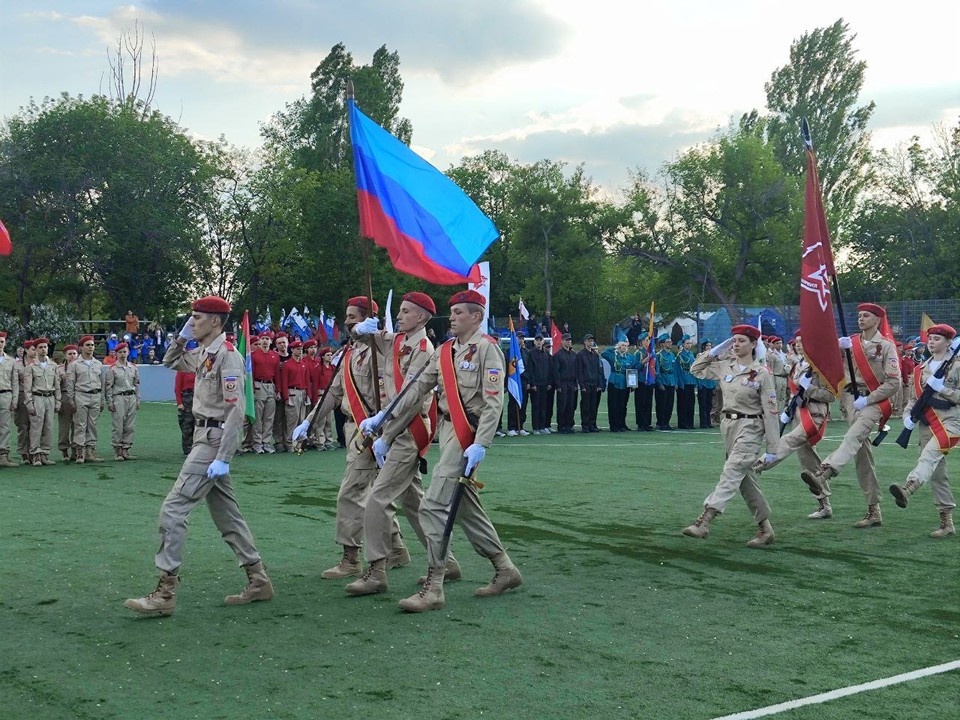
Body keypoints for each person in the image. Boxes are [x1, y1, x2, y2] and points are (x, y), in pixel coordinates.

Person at [363, 289, 522, 613]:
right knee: (464, 506)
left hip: (469, 433)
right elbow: (417, 387)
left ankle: (434, 584)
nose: (452, 317)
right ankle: (504, 568)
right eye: (452, 312)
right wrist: (385, 415)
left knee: (433, 506)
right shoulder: (445, 351)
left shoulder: (488, 349)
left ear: (477, 316)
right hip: (448, 430)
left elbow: (493, 402)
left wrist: (482, 443)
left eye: (460, 312)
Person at [125, 295, 274, 616]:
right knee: (227, 515)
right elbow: (170, 361)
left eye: (197, 317)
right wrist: (181, 336)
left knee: (173, 509)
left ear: (216, 321)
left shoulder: (228, 356)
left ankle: (165, 592)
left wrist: (223, 455)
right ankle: (258, 579)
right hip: (202, 436)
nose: (192, 322)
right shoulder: (206, 353)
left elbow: (236, 409)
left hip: (213, 441)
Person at [323, 291, 454, 596]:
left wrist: (385, 429)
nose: (399, 315)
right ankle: (447, 563)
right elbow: (363, 337)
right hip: (391, 431)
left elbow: (411, 398)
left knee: (377, 501)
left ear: (421, 316)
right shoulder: (396, 340)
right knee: (414, 503)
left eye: (406, 311)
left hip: (407, 432)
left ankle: (376, 571)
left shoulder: (423, 348)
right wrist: (361, 328)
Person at [295, 296, 406, 580]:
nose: (347, 322)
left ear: (369, 319)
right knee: (383, 494)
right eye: (347, 317)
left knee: (351, 493)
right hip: (354, 429)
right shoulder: (348, 352)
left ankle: (351, 557)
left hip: (375, 431)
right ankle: (396, 548)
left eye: (353, 317)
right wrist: (309, 421)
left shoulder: (382, 350)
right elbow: (334, 392)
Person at [799, 303, 901, 528]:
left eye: (866, 316)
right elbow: (825, 363)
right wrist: (836, 348)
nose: (861, 319)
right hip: (849, 401)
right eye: (859, 315)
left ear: (877, 320)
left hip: (872, 400)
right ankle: (874, 510)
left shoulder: (885, 346)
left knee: (853, 437)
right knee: (863, 457)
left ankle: (824, 471)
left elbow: (894, 381)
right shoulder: (850, 343)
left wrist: (869, 399)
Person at [682, 325, 780, 547]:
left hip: (751, 426)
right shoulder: (726, 365)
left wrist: (773, 448)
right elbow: (695, 369)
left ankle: (706, 519)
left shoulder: (762, 373)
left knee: (732, 470)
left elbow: (771, 410)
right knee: (744, 480)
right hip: (728, 425)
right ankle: (765, 529)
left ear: (754, 344)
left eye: (741, 341)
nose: (736, 344)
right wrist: (716, 350)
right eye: (733, 340)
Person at [754, 333, 836, 519]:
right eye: (797, 342)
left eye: (803, 342)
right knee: (808, 459)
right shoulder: (798, 365)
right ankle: (824, 504)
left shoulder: (820, 367)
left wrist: (810, 389)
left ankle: (759, 463)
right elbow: (796, 392)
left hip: (814, 413)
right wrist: (788, 410)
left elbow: (831, 395)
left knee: (790, 441)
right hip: (798, 413)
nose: (798, 345)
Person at [889, 324, 960, 538]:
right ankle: (946, 523)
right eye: (930, 338)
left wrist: (942, 389)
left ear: (948, 342)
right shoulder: (921, 368)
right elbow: (913, 400)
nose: (931, 341)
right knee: (937, 474)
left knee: (928, 457)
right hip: (926, 424)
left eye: (937, 338)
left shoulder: (957, 366)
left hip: (951, 422)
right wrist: (907, 417)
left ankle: (908, 487)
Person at [66, 335, 105, 464]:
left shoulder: (98, 364)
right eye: (88, 345)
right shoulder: (74, 364)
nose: (91, 347)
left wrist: (102, 399)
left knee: (92, 425)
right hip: (81, 395)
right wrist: (71, 399)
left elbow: (102, 382)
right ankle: (79, 452)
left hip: (95, 395)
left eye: (92, 345)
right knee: (80, 424)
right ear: (81, 347)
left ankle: (90, 451)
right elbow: (70, 383)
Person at [23, 337, 61, 466]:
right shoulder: (31, 367)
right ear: (36, 349)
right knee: (36, 427)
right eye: (40, 347)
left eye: (45, 347)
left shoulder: (53, 366)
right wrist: (29, 404)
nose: (43, 349)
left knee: (48, 427)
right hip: (37, 397)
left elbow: (57, 385)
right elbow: (27, 388)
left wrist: (58, 401)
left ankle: (45, 453)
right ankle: (35, 454)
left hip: (50, 397)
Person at [105, 341, 140, 461]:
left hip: (131, 397)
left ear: (128, 352)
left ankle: (126, 448)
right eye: (120, 352)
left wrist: (138, 399)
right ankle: (118, 449)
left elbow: (136, 384)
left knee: (130, 425)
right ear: (116, 354)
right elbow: (108, 387)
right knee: (118, 425)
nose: (122, 354)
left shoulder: (133, 368)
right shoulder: (113, 369)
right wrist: (109, 402)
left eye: (124, 351)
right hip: (119, 397)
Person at [279, 340, 308, 450]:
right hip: (292, 392)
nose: (300, 351)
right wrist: (286, 397)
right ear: (292, 350)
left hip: (302, 392)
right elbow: (284, 382)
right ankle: (290, 443)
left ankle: (299, 443)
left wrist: (307, 394)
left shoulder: (303, 363)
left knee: (302, 419)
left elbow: (306, 380)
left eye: (301, 349)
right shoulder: (287, 364)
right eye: (297, 349)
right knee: (292, 419)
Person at [601, 340, 635, 431]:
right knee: (613, 405)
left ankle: (622, 424)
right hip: (614, 382)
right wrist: (614, 348)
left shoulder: (629, 357)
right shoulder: (613, 356)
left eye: (625, 345)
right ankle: (614, 425)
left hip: (624, 383)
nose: (623, 347)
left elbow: (635, 367)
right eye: (621, 345)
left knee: (623, 405)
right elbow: (604, 353)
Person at [527, 334, 555, 434]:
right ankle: (536, 427)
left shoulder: (546, 354)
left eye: (540, 340)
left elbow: (549, 370)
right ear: (534, 342)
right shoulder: (531, 353)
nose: (539, 342)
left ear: (543, 342)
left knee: (543, 406)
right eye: (537, 340)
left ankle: (542, 426)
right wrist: (532, 383)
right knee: (536, 406)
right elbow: (530, 369)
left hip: (544, 384)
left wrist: (549, 383)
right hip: (536, 384)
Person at [0, 331, 20, 467]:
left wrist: (15, 399)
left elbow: (15, 382)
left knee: (5, 426)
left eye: (1, 341)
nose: (0, 344)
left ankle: (3, 455)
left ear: (5, 343)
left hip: (5, 395)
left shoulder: (11, 361)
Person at [56, 344, 79, 461]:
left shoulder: (81, 367)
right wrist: (58, 402)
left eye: (74, 353)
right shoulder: (59, 369)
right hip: (64, 397)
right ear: (65, 355)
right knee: (64, 427)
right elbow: (56, 386)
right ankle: (64, 450)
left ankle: (76, 450)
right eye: (70, 354)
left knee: (78, 425)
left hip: (78, 397)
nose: (72, 356)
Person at [15, 340, 36, 463]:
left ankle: (34, 451)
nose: (34, 352)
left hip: (36, 396)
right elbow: (15, 383)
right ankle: (23, 452)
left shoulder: (40, 363)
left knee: (36, 426)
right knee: (23, 425)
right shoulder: (17, 365)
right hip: (22, 396)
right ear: (26, 350)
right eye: (32, 349)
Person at [576, 334, 603, 432]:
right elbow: (579, 371)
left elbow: (598, 370)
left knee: (593, 405)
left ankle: (592, 424)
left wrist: (599, 384)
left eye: (592, 341)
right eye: (589, 340)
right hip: (586, 383)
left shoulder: (595, 355)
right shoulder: (580, 355)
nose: (590, 342)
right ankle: (585, 425)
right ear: (585, 342)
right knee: (585, 405)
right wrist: (582, 385)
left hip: (594, 383)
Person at [506, 331, 531, 436]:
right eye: (519, 338)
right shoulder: (510, 351)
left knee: (523, 404)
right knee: (513, 404)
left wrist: (529, 381)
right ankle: (512, 427)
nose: (520, 340)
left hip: (524, 382)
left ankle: (520, 426)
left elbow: (529, 368)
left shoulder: (526, 352)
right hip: (514, 381)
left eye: (522, 338)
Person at [553, 333, 579, 433]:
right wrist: (558, 385)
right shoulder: (558, 355)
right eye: (566, 340)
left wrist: (576, 384)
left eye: (570, 340)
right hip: (563, 383)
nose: (568, 341)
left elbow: (576, 370)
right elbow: (556, 371)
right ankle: (561, 426)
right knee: (562, 405)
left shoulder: (574, 355)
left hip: (572, 383)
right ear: (562, 341)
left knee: (571, 405)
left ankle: (569, 425)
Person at [632, 332, 655, 431]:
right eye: (646, 340)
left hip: (649, 380)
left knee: (648, 402)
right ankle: (641, 423)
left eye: (648, 340)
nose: (648, 342)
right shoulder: (638, 353)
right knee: (641, 402)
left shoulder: (651, 353)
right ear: (641, 342)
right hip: (641, 380)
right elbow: (635, 367)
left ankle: (647, 422)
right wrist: (643, 362)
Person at [654, 335, 677, 430]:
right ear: (662, 344)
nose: (670, 343)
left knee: (669, 404)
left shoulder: (672, 355)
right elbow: (657, 370)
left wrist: (675, 382)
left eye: (670, 341)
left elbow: (674, 370)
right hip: (663, 381)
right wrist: (659, 383)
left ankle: (667, 422)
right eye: (667, 342)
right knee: (661, 404)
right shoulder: (659, 355)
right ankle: (660, 422)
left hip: (671, 381)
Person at [675, 335, 697, 429]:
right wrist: (679, 383)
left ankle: (690, 422)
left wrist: (695, 382)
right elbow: (678, 370)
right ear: (683, 344)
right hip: (683, 381)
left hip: (691, 381)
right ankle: (683, 423)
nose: (689, 345)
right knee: (683, 404)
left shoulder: (691, 355)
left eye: (690, 343)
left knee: (691, 403)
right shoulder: (680, 355)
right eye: (687, 343)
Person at [174, 366, 196, 455]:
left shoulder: (199, 368)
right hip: (187, 397)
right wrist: (179, 402)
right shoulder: (182, 370)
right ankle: (187, 447)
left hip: (198, 397)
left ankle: (196, 446)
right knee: (187, 423)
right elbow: (177, 387)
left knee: (198, 423)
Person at [697, 340, 718, 429]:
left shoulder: (713, 357)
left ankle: (708, 422)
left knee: (709, 404)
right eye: (707, 346)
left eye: (710, 345)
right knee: (703, 404)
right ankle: (703, 422)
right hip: (703, 382)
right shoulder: (700, 356)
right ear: (703, 347)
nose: (709, 347)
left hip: (710, 382)